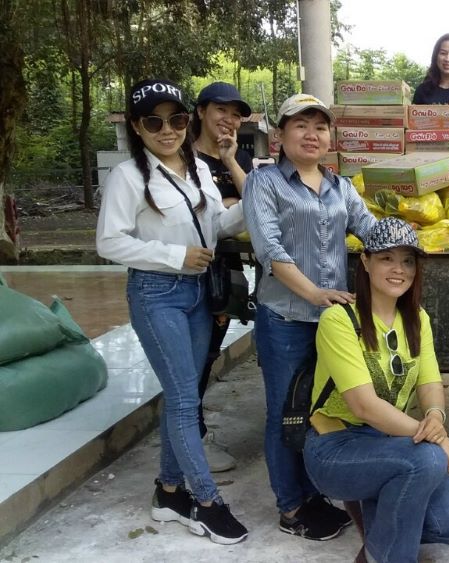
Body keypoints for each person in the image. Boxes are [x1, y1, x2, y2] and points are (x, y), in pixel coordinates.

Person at [96, 78, 248, 544]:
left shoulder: (198, 168)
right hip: (157, 293)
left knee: (184, 394)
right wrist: (173, 256)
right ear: (137, 128)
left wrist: (248, 202)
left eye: (176, 119)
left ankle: (167, 491)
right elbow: (108, 242)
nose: (168, 130)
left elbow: (217, 224)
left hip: (200, 293)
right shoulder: (128, 177)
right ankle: (205, 501)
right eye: (154, 121)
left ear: (188, 121)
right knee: (183, 398)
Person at [304, 217, 449, 563]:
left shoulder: (417, 318)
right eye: (386, 258)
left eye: (407, 260)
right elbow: (364, 406)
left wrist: (436, 416)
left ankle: (379, 527)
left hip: (390, 444)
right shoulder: (339, 321)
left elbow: (430, 382)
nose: (399, 269)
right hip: (336, 447)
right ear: (365, 262)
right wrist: (440, 440)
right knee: (427, 459)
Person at [244, 93, 377, 541]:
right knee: (286, 411)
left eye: (320, 126)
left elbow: (373, 233)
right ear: (280, 135)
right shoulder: (264, 184)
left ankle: (316, 491)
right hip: (285, 316)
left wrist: (416, 245)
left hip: (332, 323)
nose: (311, 134)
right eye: (300, 125)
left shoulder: (342, 187)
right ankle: (291, 504)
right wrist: (316, 293)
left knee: (322, 410)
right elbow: (269, 250)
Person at [191, 81, 254, 473]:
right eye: (220, 110)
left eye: (235, 114)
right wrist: (231, 205)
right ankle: (191, 440)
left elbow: (258, 204)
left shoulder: (240, 156)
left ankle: (193, 435)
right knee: (190, 359)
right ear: (200, 112)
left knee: (209, 352)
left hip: (224, 275)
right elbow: (203, 215)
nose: (228, 120)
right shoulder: (183, 155)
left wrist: (231, 162)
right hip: (191, 267)